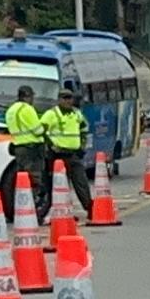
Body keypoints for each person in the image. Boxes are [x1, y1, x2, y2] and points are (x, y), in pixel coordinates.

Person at [0, 83, 55, 201]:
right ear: (27, 97)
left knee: (22, 179)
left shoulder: (11, 110)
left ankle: (21, 204)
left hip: (18, 147)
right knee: (35, 179)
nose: (32, 100)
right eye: (31, 97)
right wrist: (45, 127)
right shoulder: (27, 109)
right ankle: (34, 206)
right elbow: (38, 130)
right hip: (32, 148)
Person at [50, 83, 99, 212]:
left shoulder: (77, 114)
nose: (67, 101)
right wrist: (51, 147)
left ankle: (90, 209)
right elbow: (42, 131)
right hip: (58, 156)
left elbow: (85, 129)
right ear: (59, 100)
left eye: (69, 98)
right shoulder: (52, 114)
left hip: (73, 154)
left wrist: (82, 146)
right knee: (60, 186)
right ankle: (63, 212)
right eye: (64, 98)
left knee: (81, 182)